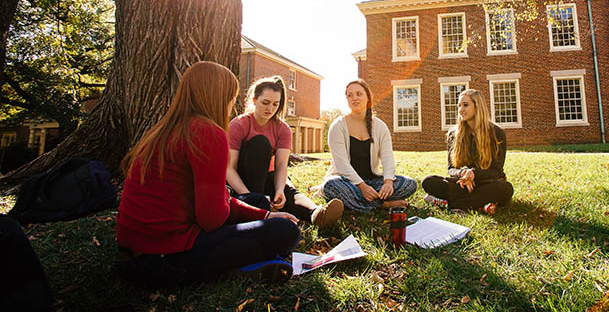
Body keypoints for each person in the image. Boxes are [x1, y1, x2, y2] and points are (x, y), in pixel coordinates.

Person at [117, 61, 301, 287]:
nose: (231, 106)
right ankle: (235, 267)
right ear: (219, 97)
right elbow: (211, 219)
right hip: (163, 259)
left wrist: (263, 216)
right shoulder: (207, 133)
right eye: (231, 99)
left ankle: (245, 258)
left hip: (132, 253)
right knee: (286, 231)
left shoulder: (163, 129)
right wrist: (262, 220)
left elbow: (209, 202)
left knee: (257, 201)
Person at [227, 76, 343, 227]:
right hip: (243, 181)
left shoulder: (282, 129)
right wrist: (250, 196)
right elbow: (229, 168)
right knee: (260, 143)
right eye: (265, 103)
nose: (270, 108)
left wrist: (279, 190)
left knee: (287, 190)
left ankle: (316, 214)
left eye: (275, 104)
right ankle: (259, 208)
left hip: (267, 176)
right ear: (254, 100)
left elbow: (281, 165)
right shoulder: (239, 124)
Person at [319, 79, 417, 212]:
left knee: (409, 184)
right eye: (350, 95)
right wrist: (362, 187)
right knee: (330, 186)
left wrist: (388, 182)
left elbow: (387, 157)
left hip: (372, 181)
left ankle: (357, 203)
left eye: (359, 94)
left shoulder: (380, 126)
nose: (354, 98)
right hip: (347, 182)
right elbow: (341, 164)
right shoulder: (338, 126)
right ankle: (382, 205)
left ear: (368, 98)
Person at [421, 89, 514, 214]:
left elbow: (497, 171)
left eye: (465, 105)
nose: (460, 109)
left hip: (487, 183)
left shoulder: (497, 132)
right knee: (428, 181)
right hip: (463, 184)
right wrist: (463, 173)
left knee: (505, 189)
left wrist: (474, 174)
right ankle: (480, 204)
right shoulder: (453, 134)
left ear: (477, 107)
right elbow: (451, 169)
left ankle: (450, 205)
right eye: (459, 105)